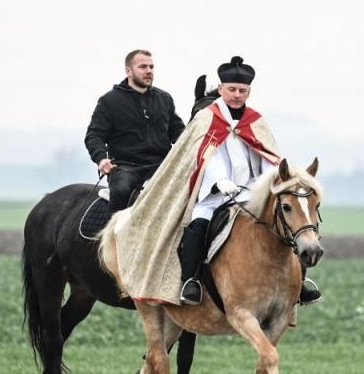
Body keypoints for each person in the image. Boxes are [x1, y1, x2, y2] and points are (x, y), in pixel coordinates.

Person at [176, 57, 321, 306]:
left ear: (248, 92)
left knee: (288, 224)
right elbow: (207, 155)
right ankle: (192, 281)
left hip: (252, 194)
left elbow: (267, 155)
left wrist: (270, 181)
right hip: (217, 194)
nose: (236, 95)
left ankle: (299, 284)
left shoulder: (255, 120)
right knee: (199, 224)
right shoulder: (207, 118)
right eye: (231, 89)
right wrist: (221, 182)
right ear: (221, 89)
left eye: (242, 91)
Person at [84, 49, 185, 212]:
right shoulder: (109, 101)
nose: (149, 71)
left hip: (162, 165)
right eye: (143, 67)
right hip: (125, 167)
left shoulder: (164, 99)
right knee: (121, 190)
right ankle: (114, 236)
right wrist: (101, 159)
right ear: (128, 71)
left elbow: (179, 132)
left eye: (151, 67)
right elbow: (94, 135)